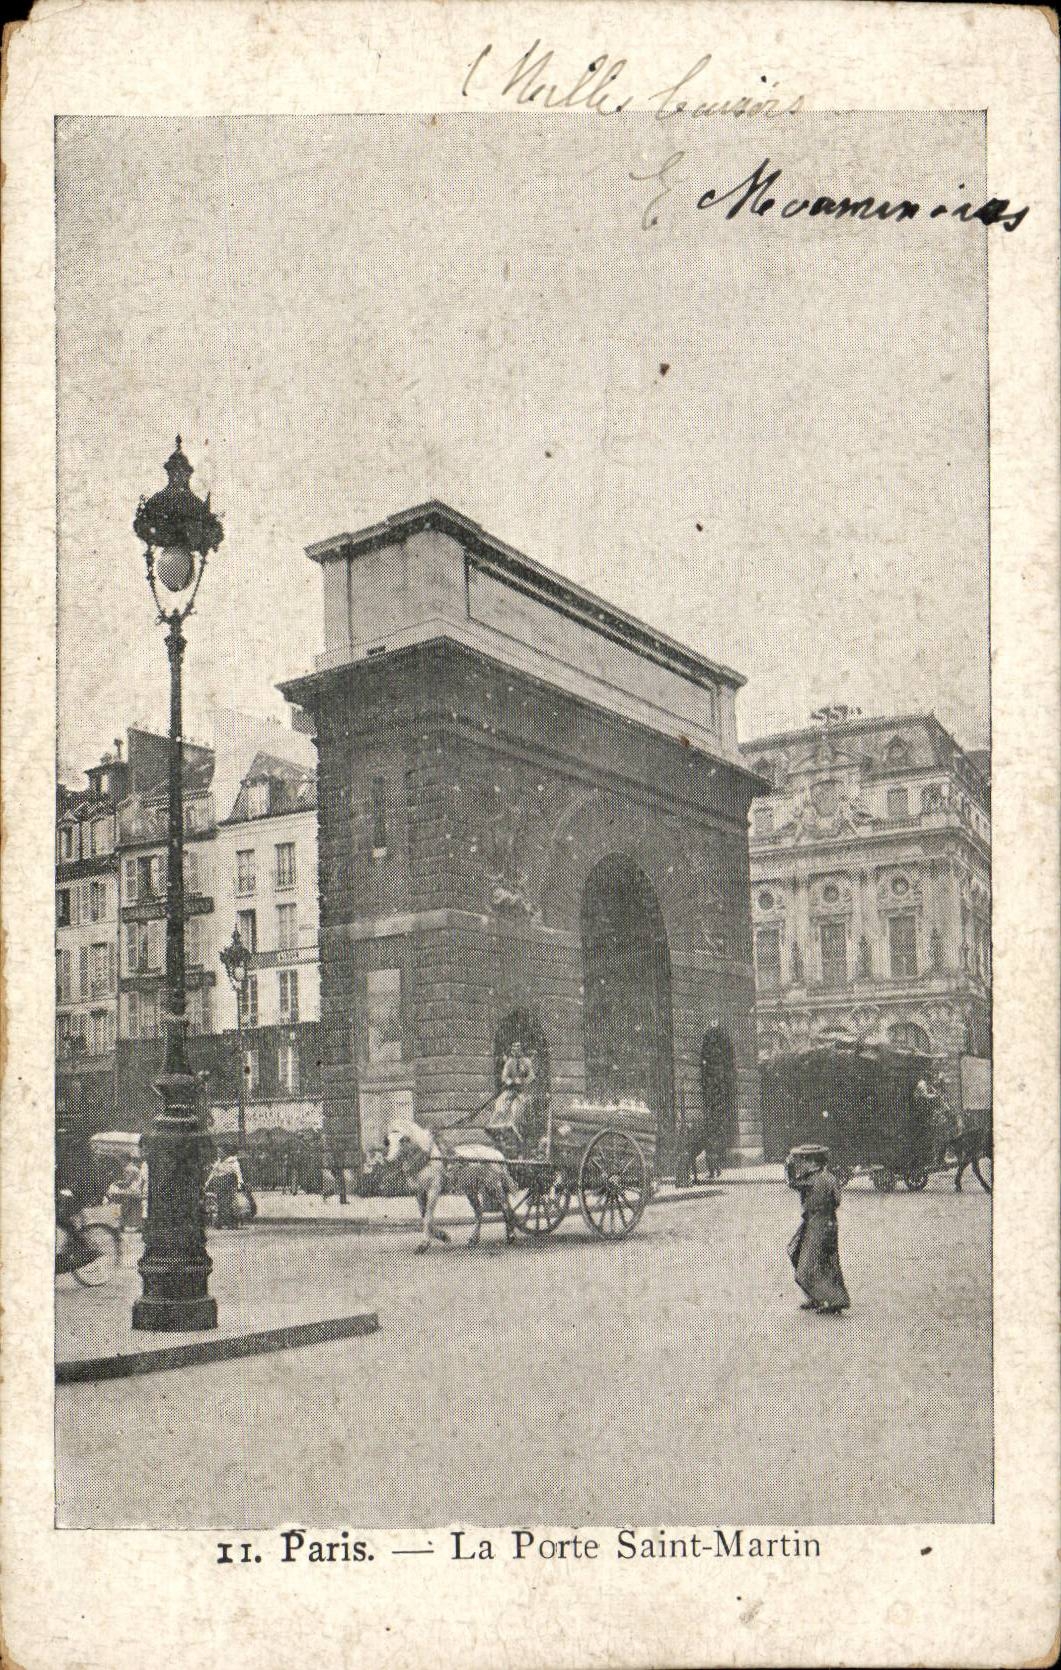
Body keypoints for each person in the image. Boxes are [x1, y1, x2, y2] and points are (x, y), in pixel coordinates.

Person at [788, 1145, 850, 1314]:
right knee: (815, 1259)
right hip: (825, 1222)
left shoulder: (814, 1179)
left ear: (813, 1161)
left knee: (811, 1262)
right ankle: (820, 1298)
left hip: (818, 1225)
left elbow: (793, 1183)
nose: (802, 1163)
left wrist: (789, 1167)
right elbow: (837, 1200)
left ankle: (829, 1300)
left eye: (804, 1160)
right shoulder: (827, 1177)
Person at [488, 1040, 536, 1151]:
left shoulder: (526, 1062)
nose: (515, 1051)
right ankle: (495, 1125)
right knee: (500, 1103)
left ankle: (516, 1131)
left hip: (522, 1092)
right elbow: (504, 1076)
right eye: (514, 1049)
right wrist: (511, 1081)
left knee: (517, 1110)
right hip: (511, 1090)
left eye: (518, 1048)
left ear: (521, 1050)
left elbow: (532, 1077)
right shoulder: (510, 1062)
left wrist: (523, 1081)